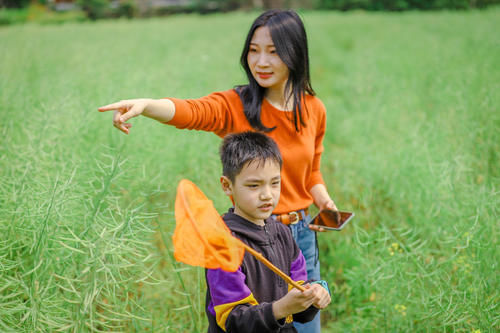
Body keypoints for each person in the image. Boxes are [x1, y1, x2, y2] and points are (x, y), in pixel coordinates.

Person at [98, 9, 338, 332]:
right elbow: (192, 112)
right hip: (248, 238)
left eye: (274, 51)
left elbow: (312, 172)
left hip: (299, 238)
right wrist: (147, 105)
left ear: (295, 53)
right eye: (254, 50)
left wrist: (324, 202)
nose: (261, 62)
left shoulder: (313, 108)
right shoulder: (237, 104)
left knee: (304, 323)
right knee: (255, 321)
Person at [207, 131, 330, 332]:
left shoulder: (283, 234)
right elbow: (233, 321)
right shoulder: (224, 244)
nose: (267, 195)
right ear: (227, 185)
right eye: (254, 185)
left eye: (275, 183)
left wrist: (314, 295)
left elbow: (298, 296)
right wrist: (280, 308)